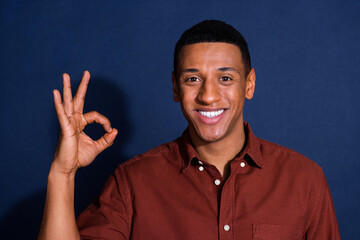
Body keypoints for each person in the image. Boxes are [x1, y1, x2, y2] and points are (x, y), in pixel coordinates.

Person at [38, 20, 340, 239]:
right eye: (192, 79)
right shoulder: (132, 183)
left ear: (249, 84)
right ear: (174, 87)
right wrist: (62, 174)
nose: (208, 95)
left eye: (225, 78)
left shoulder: (305, 180)